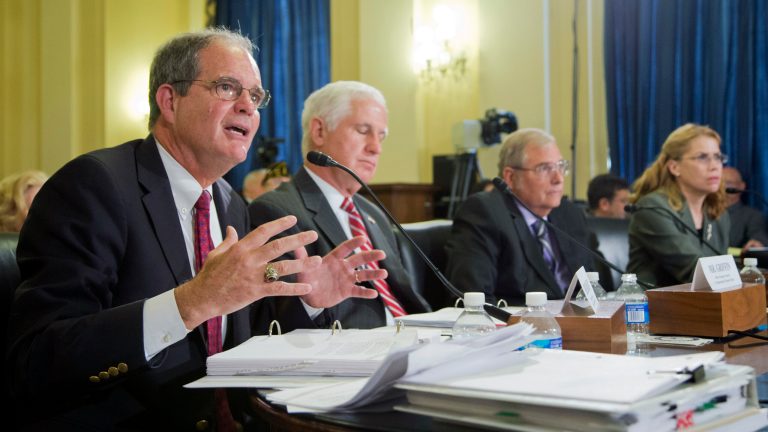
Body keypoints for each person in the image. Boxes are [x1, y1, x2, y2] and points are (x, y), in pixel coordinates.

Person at [8, 29, 385, 431]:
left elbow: (245, 341)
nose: (248, 107)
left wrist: (308, 301)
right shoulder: (94, 185)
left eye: (256, 96)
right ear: (170, 101)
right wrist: (189, 303)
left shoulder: (230, 204)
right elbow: (39, 358)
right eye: (227, 88)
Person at [248, 81, 431, 330]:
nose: (376, 148)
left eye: (381, 136)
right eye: (363, 130)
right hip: (357, 348)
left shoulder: (373, 213)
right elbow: (273, 320)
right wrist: (311, 305)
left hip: (415, 337)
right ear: (319, 131)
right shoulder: (277, 212)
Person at [444, 128, 594, 305]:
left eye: (561, 166)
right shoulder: (483, 213)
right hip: (523, 320)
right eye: (544, 168)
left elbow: (593, 287)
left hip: (579, 320)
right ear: (511, 177)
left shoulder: (570, 214)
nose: (558, 179)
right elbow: (474, 301)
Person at [627, 123, 730, 287]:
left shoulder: (717, 212)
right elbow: (694, 270)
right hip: (654, 301)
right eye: (702, 157)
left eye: (718, 157)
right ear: (675, 167)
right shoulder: (653, 207)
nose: (714, 166)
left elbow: (722, 268)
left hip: (704, 299)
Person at [722, 166, 768, 250]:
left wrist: (756, 243)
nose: (722, 187)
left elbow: (758, 235)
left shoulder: (752, 215)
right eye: (719, 183)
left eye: (728, 183)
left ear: (741, 186)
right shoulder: (703, 212)